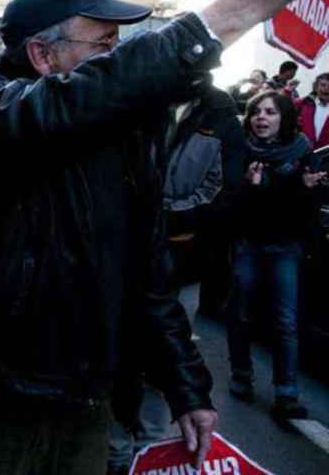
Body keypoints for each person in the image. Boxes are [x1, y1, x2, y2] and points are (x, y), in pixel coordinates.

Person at [0, 0, 300, 474]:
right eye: (102, 46)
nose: (115, 58)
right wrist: (225, 16)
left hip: (88, 404)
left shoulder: (121, 133)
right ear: (42, 54)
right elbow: (61, 108)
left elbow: (146, 272)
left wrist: (186, 386)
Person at [108, 77, 247, 475]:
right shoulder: (135, 103)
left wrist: (162, 217)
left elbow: (222, 193)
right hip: (122, 260)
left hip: (181, 263)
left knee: (164, 355)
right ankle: (117, 450)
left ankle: (148, 451)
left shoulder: (220, 113)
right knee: (117, 356)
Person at [226, 91, 327, 422]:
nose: (261, 118)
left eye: (269, 112)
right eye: (256, 112)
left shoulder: (302, 153)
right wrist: (252, 188)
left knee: (285, 321)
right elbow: (233, 204)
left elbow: (305, 210)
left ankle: (287, 392)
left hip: (286, 247)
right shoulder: (241, 151)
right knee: (240, 313)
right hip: (249, 244)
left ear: (283, 117)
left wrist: (308, 189)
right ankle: (242, 376)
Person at [297, 73, 329, 150]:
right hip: (303, 152)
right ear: (316, 87)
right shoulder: (305, 103)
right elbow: (285, 109)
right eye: (323, 85)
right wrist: (287, 91)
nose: (327, 88)